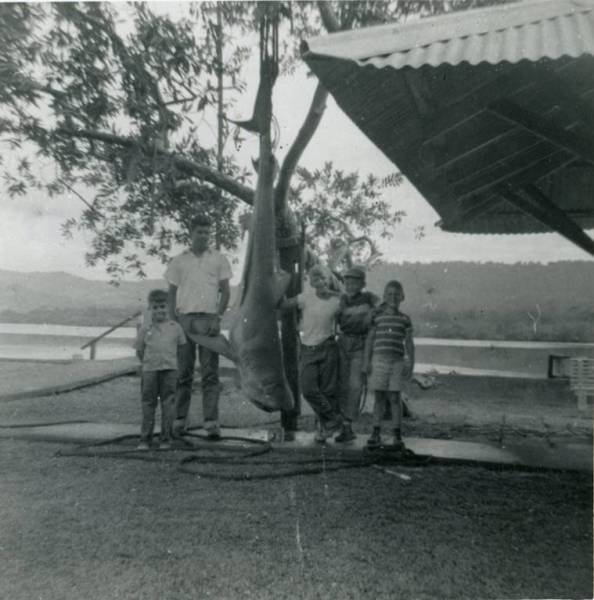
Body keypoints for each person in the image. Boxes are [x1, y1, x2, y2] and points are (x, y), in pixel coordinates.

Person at [165, 214, 232, 439]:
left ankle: (211, 422)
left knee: (209, 373)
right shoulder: (178, 260)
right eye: (199, 232)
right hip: (184, 319)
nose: (203, 236)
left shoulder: (219, 259)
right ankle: (179, 420)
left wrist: (217, 317)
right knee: (183, 372)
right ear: (191, 233)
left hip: (208, 320)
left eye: (206, 232)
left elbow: (226, 291)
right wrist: (173, 321)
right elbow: (171, 293)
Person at [281, 264, 342, 443]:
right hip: (308, 348)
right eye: (315, 278)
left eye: (323, 277)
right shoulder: (305, 298)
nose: (320, 281)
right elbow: (284, 305)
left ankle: (323, 430)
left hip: (328, 347)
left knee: (328, 391)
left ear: (329, 279)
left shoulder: (337, 301)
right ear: (312, 282)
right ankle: (332, 419)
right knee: (308, 389)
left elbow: (351, 307)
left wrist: (338, 294)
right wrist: (282, 284)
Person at [363, 280, 415, 450]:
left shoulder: (405, 319)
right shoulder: (377, 317)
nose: (393, 297)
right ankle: (375, 433)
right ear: (384, 297)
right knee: (379, 397)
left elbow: (409, 344)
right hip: (378, 360)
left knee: (394, 397)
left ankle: (397, 434)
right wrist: (366, 362)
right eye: (389, 294)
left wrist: (411, 364)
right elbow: (370, 341)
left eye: (396, 295)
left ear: (402, 297)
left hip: (397, 361)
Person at [135, 289, 187, 450]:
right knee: (148, 403)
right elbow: (140, 350)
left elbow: (181, 349)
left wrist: (174, 365)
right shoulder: (145, 328)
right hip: (150, 370)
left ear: (169, 307)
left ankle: (165, 439)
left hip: (170, 370)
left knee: (168, 403)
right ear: (150, 308)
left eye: (163, 306)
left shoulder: (176, 327)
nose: (160, 310)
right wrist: (148, 364)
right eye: (156, 307)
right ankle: (145, 439)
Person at [335, 267, 379, 443]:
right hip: (342, 342)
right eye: (348, 282)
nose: (351, 285)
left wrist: (371, 313)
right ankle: (339, 424)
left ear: (363, 284)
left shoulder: (369, 297)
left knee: (355, 385)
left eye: (355, 282)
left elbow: (382, 304)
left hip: (361, 344)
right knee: (340, 385)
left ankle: (347, 425)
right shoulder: (342, 299)